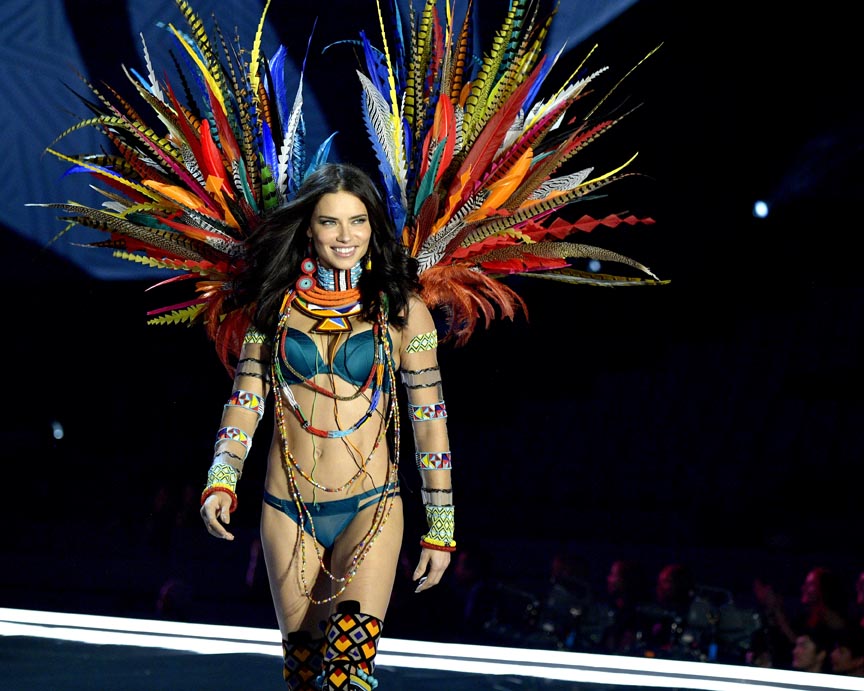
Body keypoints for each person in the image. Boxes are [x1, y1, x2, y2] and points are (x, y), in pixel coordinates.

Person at [199, 163, 455, 690]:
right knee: (304, 676)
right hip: (285, 508)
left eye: (358, 221)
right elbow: (246, 400)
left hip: (373, 505)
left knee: (348, 677)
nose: (346, 236)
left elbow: (430, 423)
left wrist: (442, 524)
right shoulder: (270, 310)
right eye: (330, 222)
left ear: (373, 226)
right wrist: (222, 477)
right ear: (308, 229)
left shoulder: (405, 313)